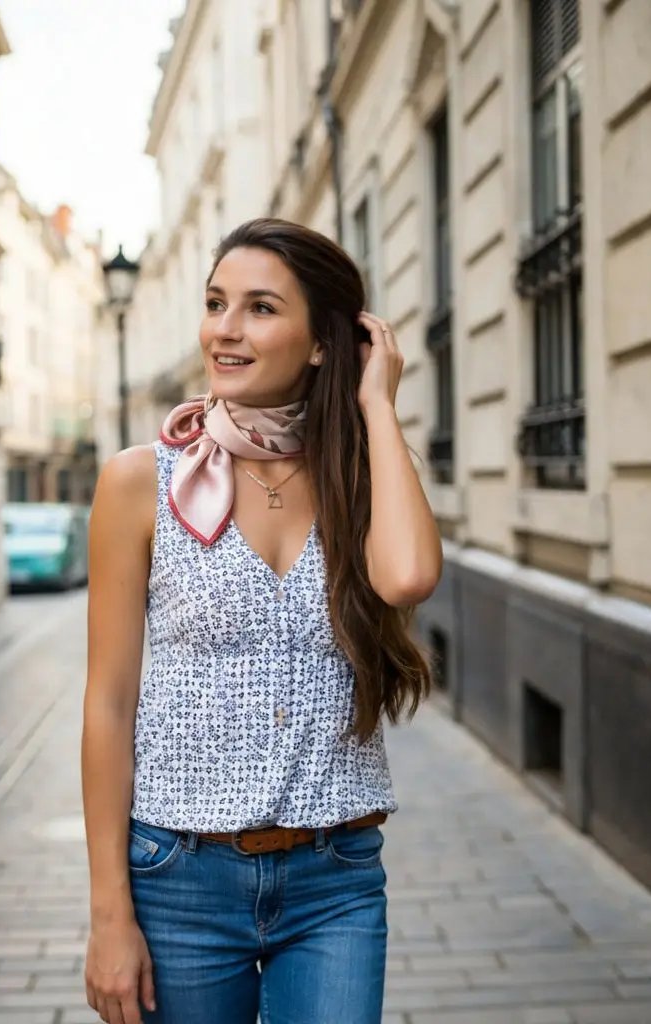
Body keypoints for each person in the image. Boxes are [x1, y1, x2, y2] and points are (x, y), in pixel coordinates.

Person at [81, 218, 442, 1024]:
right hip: (178, 878)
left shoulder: (361, 473)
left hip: (335, 875)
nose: (226, 330)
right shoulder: (142, 481)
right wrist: (111, 913)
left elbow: (410, 575)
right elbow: (108, 702)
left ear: (321, 342)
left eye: (260, 308)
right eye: (216, 303)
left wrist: (376, 405)